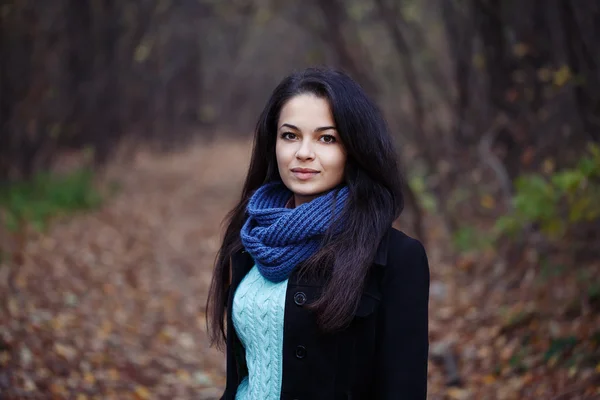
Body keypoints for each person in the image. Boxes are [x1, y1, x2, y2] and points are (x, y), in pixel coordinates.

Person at [206, 67, 430, 399]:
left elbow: (403, 390)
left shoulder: (397, 258)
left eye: (327, 138)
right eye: (290, 135)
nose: (303, 153)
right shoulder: (249, 239)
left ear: (353, 149)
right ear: (273, 144)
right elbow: (240, 376)